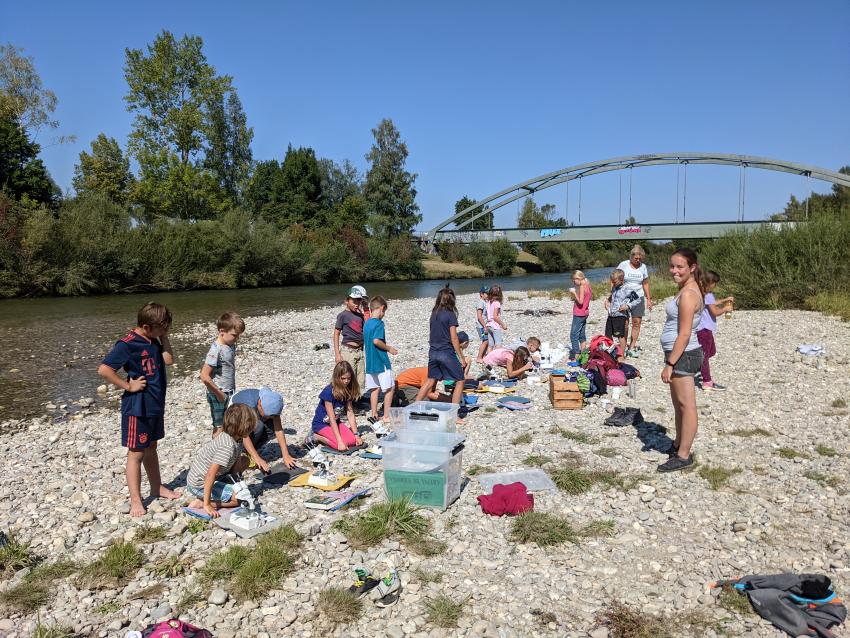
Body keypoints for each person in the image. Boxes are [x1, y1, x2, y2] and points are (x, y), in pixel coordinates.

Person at [98, 302, 180, 517]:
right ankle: (136, 500)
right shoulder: (127, 344)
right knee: (136, 452)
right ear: (145, 326)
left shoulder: (154, 339)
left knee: (152, 446)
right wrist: (128, 385)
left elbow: (169, 360)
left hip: (155, 405)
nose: (164, 332)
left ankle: (157, 487)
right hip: (137, 407)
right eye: (162, 329)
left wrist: (163, 337)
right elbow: (104, 369)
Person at [658, 248, 705, 473]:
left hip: (683, 355)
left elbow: (685, 333)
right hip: (678, 354)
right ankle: (677, 444)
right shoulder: (686, 288)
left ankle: (684, 455)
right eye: (672, 266)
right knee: (679, 405)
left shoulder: (688, 294)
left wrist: (670, 364)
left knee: (687, 406)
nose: (674, 271)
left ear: (692, 268)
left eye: (679, 267)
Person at [186, 403, 256, 518]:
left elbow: (237, 459)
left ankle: (218, 493)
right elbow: (210, 474)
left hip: (214, 475)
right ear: (244, 427)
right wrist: (207, 504)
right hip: (199, 484)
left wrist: (237, 482)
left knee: (245, 460)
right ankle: (202, 503)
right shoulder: (227, 447)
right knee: (239, 500)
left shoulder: (236, 438)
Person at [416, 286, 466, 407]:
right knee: (460, 380)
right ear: (451, 300)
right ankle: (454, 414)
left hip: (433, 351)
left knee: (430, 380)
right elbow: (454, 338)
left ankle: (413, 407)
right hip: (445, 352)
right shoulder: (450, 314)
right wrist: (461, 358)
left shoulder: (434, 313)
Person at [199, 312, 245, 436]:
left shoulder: (230, 344)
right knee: (219, 426)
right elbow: (204, 376)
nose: (237, 339)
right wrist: (219, 393)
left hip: (229, 391)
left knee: (229, 422)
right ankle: (217, 451)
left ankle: (228, 450)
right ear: (222, 331)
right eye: (235, 335)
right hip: (218, 392)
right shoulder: (216, 350)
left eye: (239, 336)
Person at [230, 387, 295, 470]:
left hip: (254, 413)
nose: (269, 417)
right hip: (234, 417)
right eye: (267, 415)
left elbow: (278, 430)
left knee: (270, 427)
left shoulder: (272, 401)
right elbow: (244, 435)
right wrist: (258, 459)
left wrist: (286, 455)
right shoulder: (248, 406)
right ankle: (242, 451)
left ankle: (250, 450)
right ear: (260, 404)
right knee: (258, 426)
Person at [311, 361, 363, 451]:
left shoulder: (348, 390)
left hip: (336, 422)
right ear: (337, 377)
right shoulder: (328, 392)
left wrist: (356, 434)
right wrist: (339, 441)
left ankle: (338, 437)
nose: (346, 381)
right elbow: (331, 418)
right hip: (321, 424)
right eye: (343, 378)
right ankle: (316, 436)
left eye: (348, 378)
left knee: (352, 441)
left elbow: (350, 413)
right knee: (340, 445)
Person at [696, 270, 734, 392]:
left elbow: (711, 303)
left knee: (712, 351)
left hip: (705, 329)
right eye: (714, 283)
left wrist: (724, 300)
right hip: (704, 330)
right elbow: (715, 312)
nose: (715, 286)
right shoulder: (707, 295)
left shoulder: (703, 294)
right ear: (710, 282)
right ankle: (707, 382)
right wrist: (726, 308)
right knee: (705, 356)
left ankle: (698, 366)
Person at [363, 296, 397, 424]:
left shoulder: (367, 323)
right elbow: (376, 341)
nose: (383, 315)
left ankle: (374, 413)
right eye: (384, 312)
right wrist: (389, 348)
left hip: (370, 362)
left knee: (374, 389)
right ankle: (386, 416)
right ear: (381, 308)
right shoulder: (379, 323)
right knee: (389, 388)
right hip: (381, 361)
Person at [617, 244, 653, 357]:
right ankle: (623, 345)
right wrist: (612, 295)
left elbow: (645, 283)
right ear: (631, 256)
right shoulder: (623, 265)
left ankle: (632, 347)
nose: (638, 260)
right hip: (624, 297)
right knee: (625, 323)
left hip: (638, 297)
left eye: (640, 258)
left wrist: (649, 299)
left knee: (637, 323)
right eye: (635, 258)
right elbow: (614, 278)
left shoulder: (643, 267)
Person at [333, 285, 368, 393]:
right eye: (354, 301)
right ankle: (346, 401)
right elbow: (336, 334)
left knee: (360, 378)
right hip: (348, 350)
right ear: (346, 301)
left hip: (360, 351)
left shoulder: (361, 315)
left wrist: (366, 308)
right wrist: (337, 354)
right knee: (347, 377)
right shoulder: (342, 315)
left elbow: (369, 325)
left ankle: (357, 398)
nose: (356, 304)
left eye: (359, 301)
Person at [604, 269, 640, 361]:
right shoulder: (614, 287)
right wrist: (607, 301)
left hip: (620, 315)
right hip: (611, 314)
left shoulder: (627, 288)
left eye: (614, 281)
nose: (613, 283)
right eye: (612, 281)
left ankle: (621, 355)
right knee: (607, 335)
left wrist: (627, 306)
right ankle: (611, 352)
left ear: (621, 280)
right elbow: (612, 296)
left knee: (620, 336)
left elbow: (637, 299)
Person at [568, 271, 592, 360]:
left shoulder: (582, 286)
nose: (574, 282)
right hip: (585, 312)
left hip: (579, 313)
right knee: (582, 334)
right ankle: (584, 353)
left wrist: (574, 293)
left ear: (579, 278)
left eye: (574, 280)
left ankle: (577, 355)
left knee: (573, 335)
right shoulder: (588, 284)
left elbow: (581, 302)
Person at [486, 285, 507, 349]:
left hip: (489, 325)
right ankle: (498, 358)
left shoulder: (488, 302)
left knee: (490, 345)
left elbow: (488, 315)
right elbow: (495, 316)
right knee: (498, 344)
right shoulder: (497, 303)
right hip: (495, 326)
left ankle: (489, 358)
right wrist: (503, 324)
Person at [475, 286, 490, 363]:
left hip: (484, 325)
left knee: (487, 341)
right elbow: (479, 316)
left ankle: (483, 356)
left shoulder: (485, 302)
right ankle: (479, 357)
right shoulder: (480, 302)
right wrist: (484, 326)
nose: (488, 295)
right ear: (481, 294)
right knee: (485, 341)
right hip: (481, 326)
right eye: (486, 293)